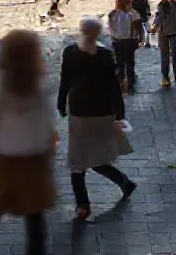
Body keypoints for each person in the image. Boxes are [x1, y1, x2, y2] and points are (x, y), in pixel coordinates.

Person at [0, 29, 57, 255]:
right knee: (34, 216)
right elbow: (47, 121)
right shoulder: (43, 83)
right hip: (33, 155)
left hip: (2, 154)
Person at [57, 18, 136, 220]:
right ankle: (124, 182)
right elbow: (113, 86)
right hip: (102, 112)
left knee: (78, 159)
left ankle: (83, 204)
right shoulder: (105, 55)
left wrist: (60, 102)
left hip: (79, 112)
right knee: (93, 157)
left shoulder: (71, 52)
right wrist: (120, 113)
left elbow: (65, 80)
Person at [107, 0, 139, 94]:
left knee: (126, 63)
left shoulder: (129, 13)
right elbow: (112, 29)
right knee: (124, 63)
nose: (131, 4)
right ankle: (124, 83)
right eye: (129, 2)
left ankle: (126, 83)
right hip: (123, 42)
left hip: (123, 42)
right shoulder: (119, 14)